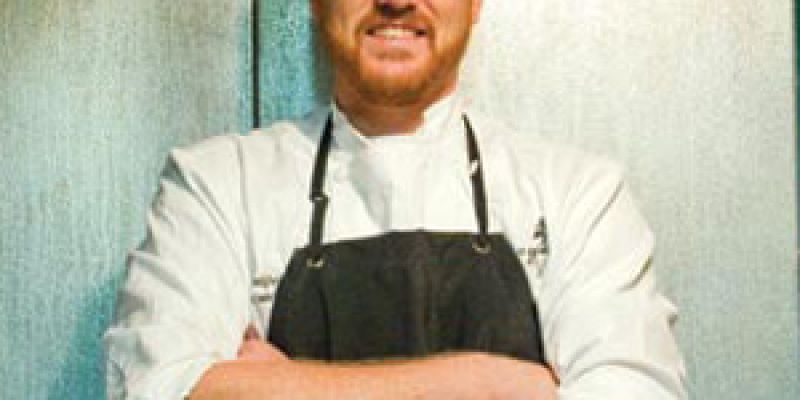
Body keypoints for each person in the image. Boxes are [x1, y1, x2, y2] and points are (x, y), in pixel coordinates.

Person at [104, 0, 687, 398]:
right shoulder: (216, 185)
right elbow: (158, 388)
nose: (397, 1)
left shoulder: (578, 193)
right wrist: (495, 384)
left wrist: (281, 386)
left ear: (476, 3)